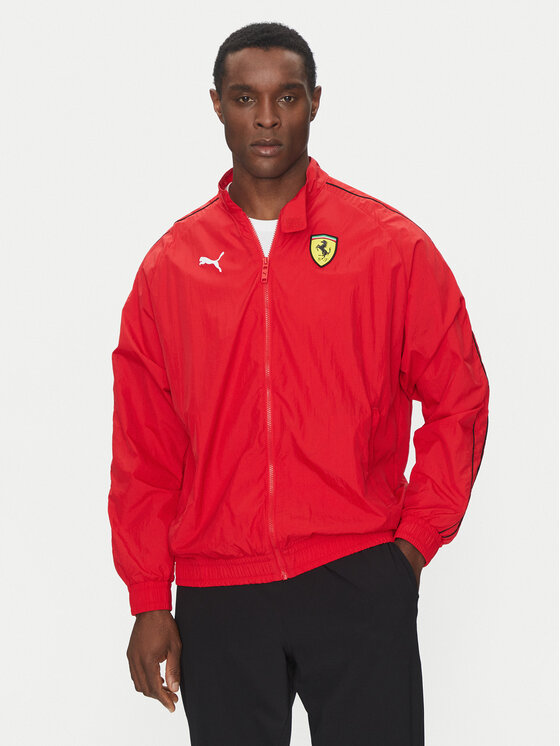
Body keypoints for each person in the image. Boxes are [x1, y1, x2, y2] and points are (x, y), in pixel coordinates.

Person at [107, 21, 489, 746]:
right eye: (245, 98)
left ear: (315, 102)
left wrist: (411, 543)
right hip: (220, 594)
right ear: (216, 105)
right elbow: (144, 450)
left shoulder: (387, 247)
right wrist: (150, 595)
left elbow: (459, 397)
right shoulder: (171, 267)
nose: (266, 118)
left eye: (286, 97)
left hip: (355, 575)